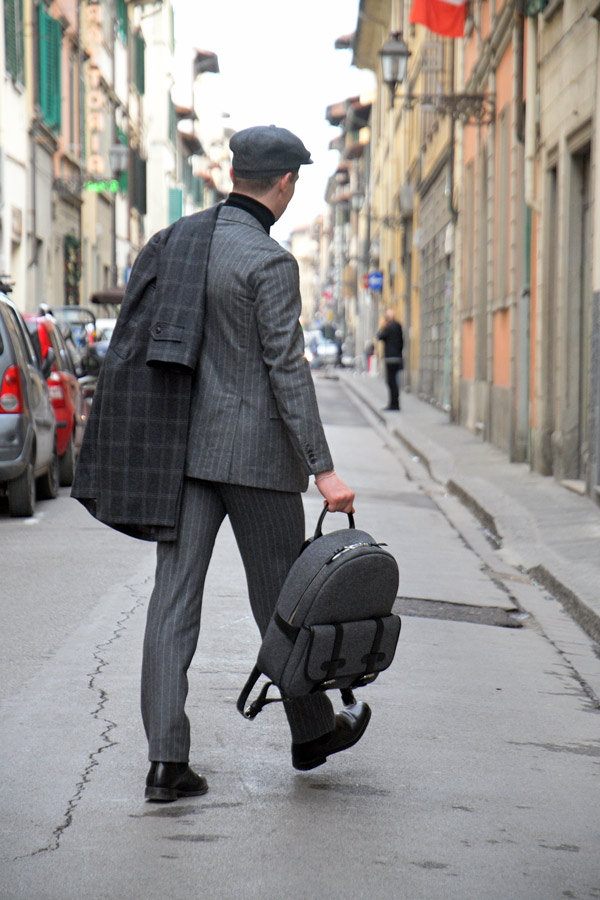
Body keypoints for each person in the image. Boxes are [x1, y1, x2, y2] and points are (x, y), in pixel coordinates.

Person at [72, 125, 371, 803]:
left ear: (235, 173)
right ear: (287, 183)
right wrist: (323, 468)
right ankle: (309, 731)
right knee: (282, 601)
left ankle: (164, 761)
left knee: (172, 600)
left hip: (181, 449)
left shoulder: (178, 242)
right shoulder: (268, 263)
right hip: (259, 461)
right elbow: (286, 371)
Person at [377, 309, 404, 411]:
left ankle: (393, 404)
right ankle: (395, 403)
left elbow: (380, 336)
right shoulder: (398, 326)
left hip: (390, 358)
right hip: (397, 357)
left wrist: (382, 327)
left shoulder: (388, 327)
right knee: (394, 381)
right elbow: (402, 341)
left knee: (391, 381)